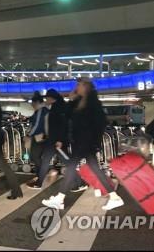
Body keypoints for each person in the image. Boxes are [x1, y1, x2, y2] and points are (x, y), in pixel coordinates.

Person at [42, 78, 124, 211]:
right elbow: (67, 115)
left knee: (72, 167)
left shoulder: (93, 103)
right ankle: (114, 197)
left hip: (85, 142)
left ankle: (60, 198)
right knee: (95, 170)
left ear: (86, 87)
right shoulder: (80, 102)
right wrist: (72, 99)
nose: (77, 87)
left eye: (79, 85)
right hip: (82, 142)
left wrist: (92, 139)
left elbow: (100, 123)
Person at [30, 89, 69, 189]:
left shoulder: (59, 108)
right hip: (53, 141)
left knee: (68, 162)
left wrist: (60, 140)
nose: (45, 100)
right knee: (45, 161)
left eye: (46, 98)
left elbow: (62, 125)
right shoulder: (56, 107)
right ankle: (39, 183)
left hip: (56, 141)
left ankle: (79, 182)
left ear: (51, 98)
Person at [25, 91, 49, 189]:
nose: (32, 105)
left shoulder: (41, 111)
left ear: (37, 102)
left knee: (35, 156)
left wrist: (28, 134)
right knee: (38, 157)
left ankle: (41, 176)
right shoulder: (44, 110)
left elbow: (37, 125)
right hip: (43, 137)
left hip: (40, 137)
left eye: (33, 103)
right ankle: (40, 175)